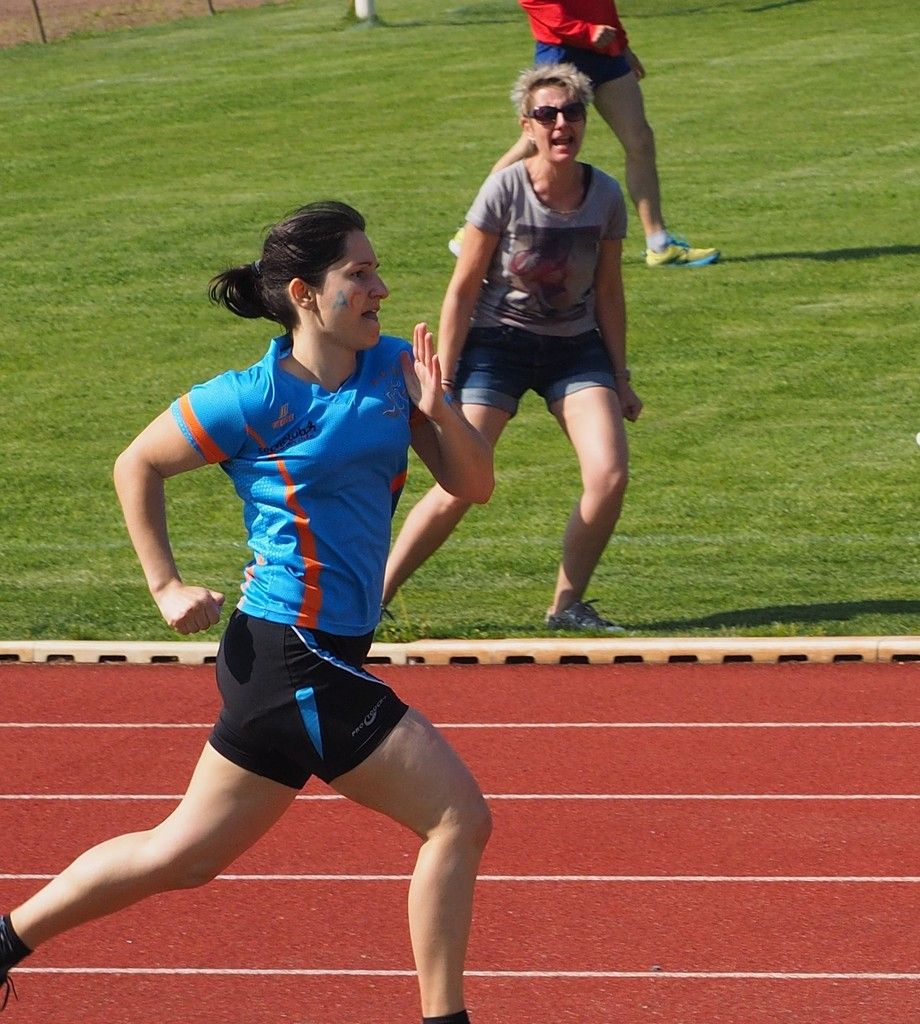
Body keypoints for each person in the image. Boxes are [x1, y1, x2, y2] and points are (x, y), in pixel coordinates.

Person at [0, 201, 495, 1024]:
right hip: (290, 653)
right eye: (359, 274)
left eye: (376, 269)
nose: (380, 286)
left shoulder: (389, 376)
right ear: (305, 293)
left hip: (308, 656)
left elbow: (472, 486)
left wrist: (439, 405)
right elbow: (137, 464)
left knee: (183, 854)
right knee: (457, 817)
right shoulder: (249, 398)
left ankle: (3, 942)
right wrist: (164, 586)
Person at [384, 64, 641, 633]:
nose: (560, 125)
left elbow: (608, 289)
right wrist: (443, 384)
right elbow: (463, 287)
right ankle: (369, 601)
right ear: (527, 126)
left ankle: (567, 604)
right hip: (497, 343)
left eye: (571, 113)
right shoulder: (505, 188)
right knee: (460, 484)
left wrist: (620, 376)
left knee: (610, 474)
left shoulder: (604, 195)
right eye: (546, 115)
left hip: (575, 348)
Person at [450, 0, 718, 268]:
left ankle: (659, 245)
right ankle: (472, 230)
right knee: (533, 145)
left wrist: (622, 45)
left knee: (640, 140)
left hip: (604, 49)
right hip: (561, 49)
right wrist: (584, 31)